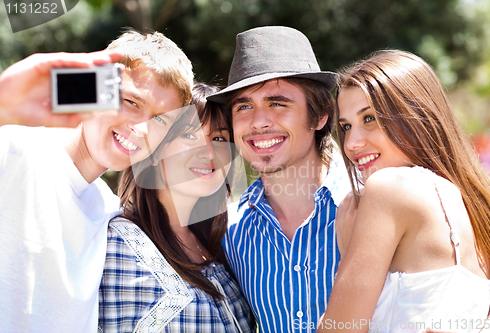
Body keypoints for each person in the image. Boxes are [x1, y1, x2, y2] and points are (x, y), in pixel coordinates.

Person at [0, 30, 194, 333]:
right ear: (95, 87)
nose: (141, 130)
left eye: (160, 120)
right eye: (131, 101)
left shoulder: (108, 211)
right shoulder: (15, 151)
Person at [318, 50, 490, 333]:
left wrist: (346, 250)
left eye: (369, 119)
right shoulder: (479, 202)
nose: (351, 143)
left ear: (417, 115)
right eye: (345, 126)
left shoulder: (389, 189)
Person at [207, 26, 351, 333]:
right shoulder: (230, 233)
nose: (259, 121)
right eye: (244, 106)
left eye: (278, 103)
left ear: (320, 115)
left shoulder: (370, 202)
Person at [98, 82, 255, 332]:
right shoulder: (117, 245)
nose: (208, 152)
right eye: (190, 135)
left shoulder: (227, 245)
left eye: (219, 138)